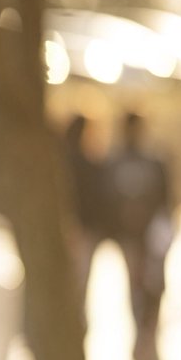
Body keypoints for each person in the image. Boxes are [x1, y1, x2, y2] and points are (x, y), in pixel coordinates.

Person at [102, 111, 174, 360]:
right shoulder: (115, 163)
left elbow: (167, 204)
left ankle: (148, 352)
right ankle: (143, 355)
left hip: (152, 244)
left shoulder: (154, 162)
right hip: (131, 244)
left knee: (154, 294)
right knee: (136, 298)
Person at [63, 113, 110, 322]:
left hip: (76, 230)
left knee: (73, 284)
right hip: (80, 231)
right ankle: (75, 323)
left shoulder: (61, 160)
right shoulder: (83, 164)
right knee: (79, 284)